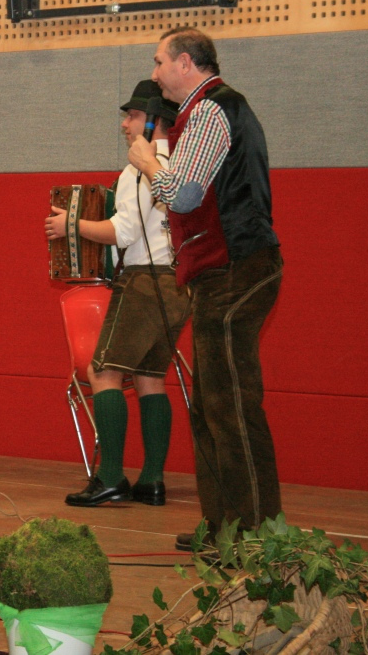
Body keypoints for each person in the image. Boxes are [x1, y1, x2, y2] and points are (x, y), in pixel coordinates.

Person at [128, 27, 283, 551]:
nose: (154, 74)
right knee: (211, 407)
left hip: (236, 269)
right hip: (223, 272)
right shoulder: (205, 111)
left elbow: (185, 194)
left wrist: (149, 163)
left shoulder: (211, 110)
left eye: (158, 62)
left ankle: (255, 537)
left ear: (185, 63)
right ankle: (224, 529)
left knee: (231, 406)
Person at [46, 80, 192, 508]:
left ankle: (110, 476)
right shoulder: (180, 164)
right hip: (178, 283)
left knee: (103, 372)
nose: (126, 125)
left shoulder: (138, 168)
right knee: (150, 377)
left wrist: (70, 225)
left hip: (143, 281)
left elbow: (123, 232)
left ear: (154, 121)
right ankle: (152, 481)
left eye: (133, 116)